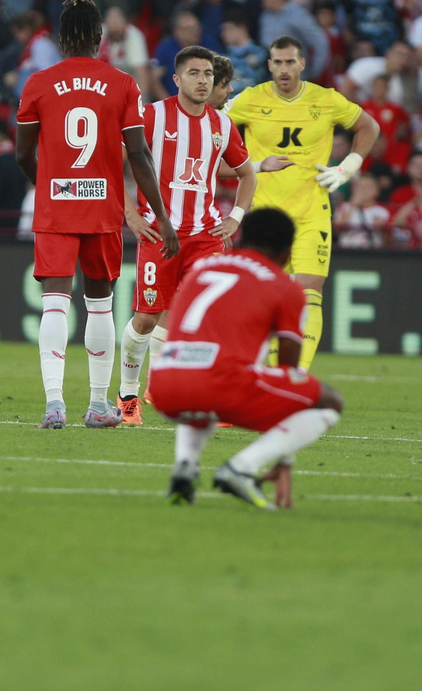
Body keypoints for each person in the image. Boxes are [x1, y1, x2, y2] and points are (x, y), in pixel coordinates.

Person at [14, 0, 179, 429]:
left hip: (55, 207)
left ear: (63, 38)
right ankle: (98, 405)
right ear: (99, 38)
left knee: (54, 301)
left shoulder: (38, 83)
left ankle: (53, 404)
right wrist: (161, 215)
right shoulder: (122, 83)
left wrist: (45, 184)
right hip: (102, 207)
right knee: (100, 303)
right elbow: (140, 155)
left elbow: (22, 154)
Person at [148, 207, 347, 510]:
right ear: (286, 252)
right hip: (219, 382)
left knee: (202, 388)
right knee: (330, 401)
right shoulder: (285, 288)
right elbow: (289, 371)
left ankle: (184, 468)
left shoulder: (202, 270)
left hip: (163, 384)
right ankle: (241, 468)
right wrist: (285, 455)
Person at [116, 46, 257, 424]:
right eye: (194, 73)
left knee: (213, 315)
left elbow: (246, 173)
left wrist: (236, 217)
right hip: (159, 235)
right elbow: (114, 160)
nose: (202, 80)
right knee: (146, 319)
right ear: (177, 79)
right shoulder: (153, 116)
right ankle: (127, 395)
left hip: (205, 236)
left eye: (208, 74)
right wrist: (130, 214)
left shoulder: (222, 126)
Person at [225, 36, 381, 369]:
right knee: (262, 298)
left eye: (290, 62)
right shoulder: (249, 100)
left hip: (312, 212)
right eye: (277, 62)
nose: (284, 69)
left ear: (302, 64)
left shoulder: (325, 100)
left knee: (310, 292)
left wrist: (348, 166)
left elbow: (368, 126)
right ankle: (258, 371)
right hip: (266, 217)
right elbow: (211, 133)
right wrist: (249, 167)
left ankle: (292, 375)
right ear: (269, 65)